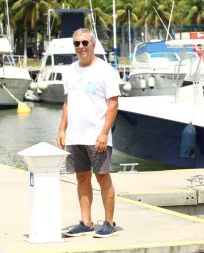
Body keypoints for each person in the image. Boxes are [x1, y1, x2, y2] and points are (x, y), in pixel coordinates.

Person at [56, 28, 121, 238]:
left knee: (103, 177)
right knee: (82, 177)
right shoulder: (70, 70)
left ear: (93, 45)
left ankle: (109, 223)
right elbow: (68, 103)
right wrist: (62, 129)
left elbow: (113, 105)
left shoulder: (106, 71)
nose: (81, 47)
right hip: (75, 137)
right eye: (77, 44)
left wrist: (104, 133)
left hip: (97, 136)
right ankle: (86, 222)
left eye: (85, 43)